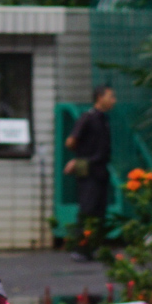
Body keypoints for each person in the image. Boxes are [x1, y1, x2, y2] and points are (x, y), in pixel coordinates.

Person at [63, 85, 116, 253]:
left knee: (99, 211)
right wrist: (80, 157)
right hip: (88, 170)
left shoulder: (104, 119)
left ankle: (94, 246)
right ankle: (80, 248)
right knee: (87, 209)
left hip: (101, 170)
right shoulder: (88, 117)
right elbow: (71, 141)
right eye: (110, 96)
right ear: (100, 97)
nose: (113, 100)